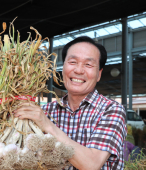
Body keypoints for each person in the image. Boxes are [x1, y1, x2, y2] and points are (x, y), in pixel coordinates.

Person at [13, 36, 127, 170]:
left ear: (99, 74)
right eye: (73, 62)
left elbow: (91, 164)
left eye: (88, 64)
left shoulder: (111, 110)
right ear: (63, 67)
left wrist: (47, 125)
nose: (78, 70)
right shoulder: (47, 111)